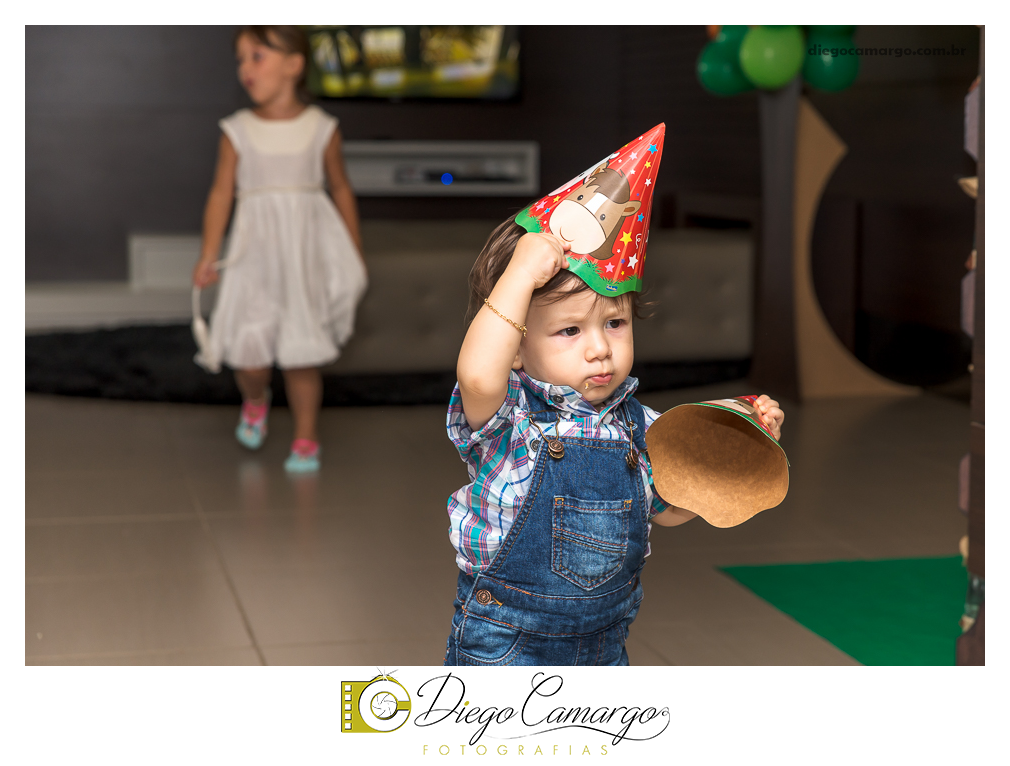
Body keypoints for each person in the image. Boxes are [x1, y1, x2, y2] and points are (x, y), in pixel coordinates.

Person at [442, 127, 784, 665]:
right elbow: (478, 374)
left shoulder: (640, 424)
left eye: (616, 322)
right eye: (569, 331)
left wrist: (730, 449)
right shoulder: (508, 414)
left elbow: (667, 509)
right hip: (506, 638)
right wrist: (522, 273)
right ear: (514, 345)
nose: (600, 348)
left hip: (605, 641)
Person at [192, 25, 366, 473]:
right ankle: (255, 397)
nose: (245, 68)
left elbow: (341, 189)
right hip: (255, 254)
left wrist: (353, 247)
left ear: (294, 65)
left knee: (300, 350)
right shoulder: (237, 131)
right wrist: (209, 253)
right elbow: (219, 194)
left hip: (303, 254)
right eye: (241, 59)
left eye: (257, 56)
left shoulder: (321, 129)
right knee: (248, 354)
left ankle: (306, 435)